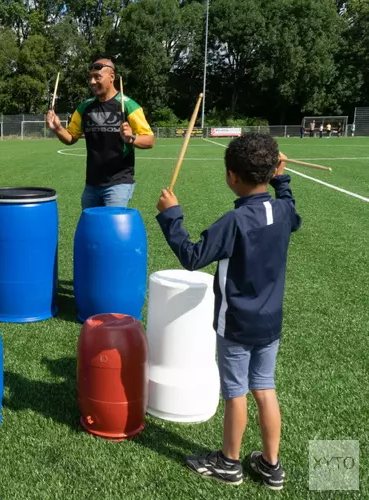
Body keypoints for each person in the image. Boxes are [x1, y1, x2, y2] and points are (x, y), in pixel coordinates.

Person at [155, 133, 302, 490]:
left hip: (236, 322)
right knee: (264, 387)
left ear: (232, 176)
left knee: (236, 392)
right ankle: (271, 466)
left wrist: (170, 215)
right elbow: (292, 212)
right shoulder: (282, 211)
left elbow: (193, 257)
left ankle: (229, 463)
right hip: (270, 322)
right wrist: (282, 180)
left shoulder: (235, 222)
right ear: (270, 171)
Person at [46, 58, 154, 208]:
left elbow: (149, 140)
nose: (92, 81)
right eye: (90, 77)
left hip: (119, 182)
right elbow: (70, 138)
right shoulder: (85, 107)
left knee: (111, 227)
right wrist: (57, 128)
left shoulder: (129, 105)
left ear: (111, 77)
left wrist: (131, 138)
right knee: (90, 227)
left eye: (97, 77)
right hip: (92, 184)